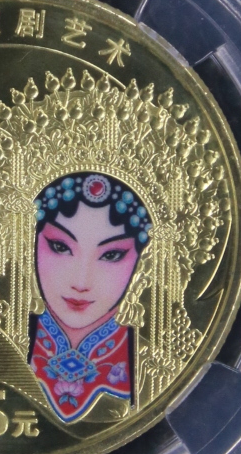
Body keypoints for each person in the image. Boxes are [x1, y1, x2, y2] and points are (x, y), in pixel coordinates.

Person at [26, 172, 151, 423]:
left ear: (143, 260)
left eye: (111, 255)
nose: (81, 283)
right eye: (60, 247)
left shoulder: (151, 363)